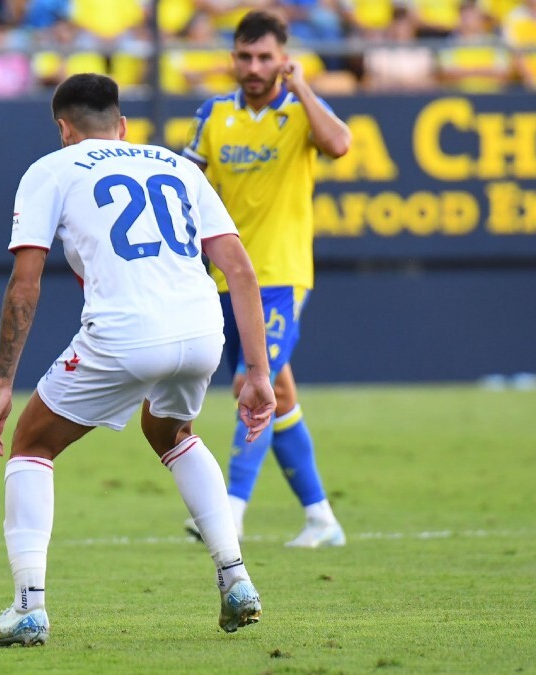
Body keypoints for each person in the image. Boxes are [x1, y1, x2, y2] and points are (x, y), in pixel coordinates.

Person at [0, 73, 276, 647]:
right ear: (124, 125)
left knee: (31, 444)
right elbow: (239, 269)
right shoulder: (178, 166)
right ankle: (236, 578)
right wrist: (258, 372)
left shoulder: (51, 169)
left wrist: (4, 382)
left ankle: (28, 607)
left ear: (64, 129)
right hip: (202, 330)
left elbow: (25, 283)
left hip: (127, 333)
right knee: (170, 431)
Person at [181, 10, 351, 548]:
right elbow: (187, 186)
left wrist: (302, 88)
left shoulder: (300, 111)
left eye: (265, 57)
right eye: (245, 56)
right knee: (277, 389)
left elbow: (339, 144)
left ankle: (230, 512)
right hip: (227, 278)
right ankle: (321, 517)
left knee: (250, 385)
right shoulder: (214, 115)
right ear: (233, 58)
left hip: (280, 276)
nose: (254, 67)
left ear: (283, 60)